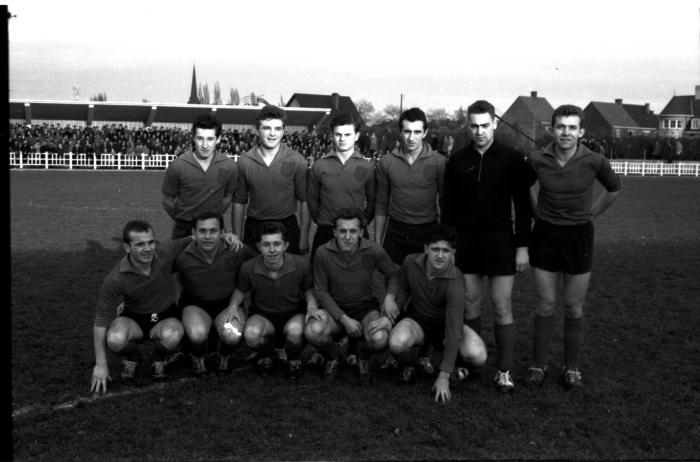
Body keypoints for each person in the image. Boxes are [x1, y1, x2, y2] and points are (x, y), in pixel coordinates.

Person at [525, 104, 621, 390]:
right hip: (545, 236)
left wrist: (591, 213)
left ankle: (571, 368)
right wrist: (537, 214)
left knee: (573, 307)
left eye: (571, 127)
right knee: (545, 305)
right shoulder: (536, 159)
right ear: (552, 129)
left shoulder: (595, 160)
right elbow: (524, 188)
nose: (565, 132)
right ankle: (538, 365)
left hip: (579, 237)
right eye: (560, 127)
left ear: (580, 131)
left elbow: (614, 188)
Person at [443, 100, 533, 393]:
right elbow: (449, 210)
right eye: (474, 125)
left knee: (501, 304)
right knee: (469, 303)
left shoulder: (511, 159)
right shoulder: (457, 161)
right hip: (467, 243)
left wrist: (522, 247)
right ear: (467, 125)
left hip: (500, 241)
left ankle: (504, 371)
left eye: (485, 124)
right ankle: (470, 364)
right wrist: (450, 245)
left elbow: (522, 207)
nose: (479, 130)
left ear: (495, 123)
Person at [375, 226, 487, 402]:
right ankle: (412, 364)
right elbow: (402, 294)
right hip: (417, 320)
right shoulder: (410, 262)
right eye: (435, 249)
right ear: (426, 248)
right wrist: (387, 319)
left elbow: (453, 328)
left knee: (478, 355)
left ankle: (461, 368)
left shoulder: (456, 279)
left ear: (453, 253)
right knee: (397, 343)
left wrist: (443, 377)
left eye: (446, 251)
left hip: (444, 325)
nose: (440, 255)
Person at [90, 220, 190, 393]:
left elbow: (195, 238)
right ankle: (133, 357)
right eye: (140, 244)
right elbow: (101, 321)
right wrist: (100, 363)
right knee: (114, 338)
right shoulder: (115, 278)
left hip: (166, 315)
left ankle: (158, 358)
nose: (148, 248)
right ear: (127, 247)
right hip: (135, 318)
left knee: (173, 335)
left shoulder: (165, 251)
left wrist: (227, 237)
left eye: (151, 242)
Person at [305, 208, 400, 384]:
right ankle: (334, 356)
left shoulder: (373, 250)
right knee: (313, 331)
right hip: (334, 309)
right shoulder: (322, 252)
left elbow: (393, 274)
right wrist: (344, 319)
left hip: (364, 307)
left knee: (379, 339)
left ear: (361, 232)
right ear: (334, 232)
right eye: (342, 231)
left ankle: (361, 356)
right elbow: (320, 291)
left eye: (353, 231)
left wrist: (389, 297)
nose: (347, 236)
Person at [223, 221, 318, 380]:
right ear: (259, 246)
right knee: (251, 335)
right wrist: (232, 307)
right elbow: (241, 290)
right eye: (266, 244)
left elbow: (308, 289)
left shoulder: (301, 264)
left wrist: (312, 306)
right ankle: (266, 355)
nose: (272, 250)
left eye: (277, 244)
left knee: (296, 333)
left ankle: (293, 359)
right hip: (263, 314)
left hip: (292, 313)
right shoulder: (248, 267)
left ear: (286, 245)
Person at [173, 211, 255, 377]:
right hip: (196, 303)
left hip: (228, 304)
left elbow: (256, 265)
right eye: (202, 231)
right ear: (193, 233)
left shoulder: (237, 250)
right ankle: (196, 356)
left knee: (232, 335)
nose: (208, 236)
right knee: (197, 334)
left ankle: (223, 355)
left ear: (223, 233)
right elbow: (170, 274)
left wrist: (247, 300)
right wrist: (175, 298)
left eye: (213, 231)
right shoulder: (182, 255)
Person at [232, 105, 310, 255]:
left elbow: (305, 200)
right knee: (253, 274)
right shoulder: (244, 161)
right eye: (267, 128)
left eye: (278, 129)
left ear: (283, 131)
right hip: (255, 227)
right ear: (257, 130)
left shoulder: (297, 160)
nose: (272, 134)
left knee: (289, 275)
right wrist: (237, 237)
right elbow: (239, 202)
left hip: (287, 226)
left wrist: (304, 237)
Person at [375, 107, 445, 265]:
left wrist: (443, 239)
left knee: (422, 286)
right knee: (394, 283)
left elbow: (445, 203)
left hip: (427, 231)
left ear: (425, 133)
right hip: (396, 231)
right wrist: (378, 242)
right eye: (407, 131)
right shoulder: (386, 162)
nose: (411, 138)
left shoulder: (439, 162)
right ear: (400, 132)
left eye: (417, 132)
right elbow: (381, 203)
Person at [307, 112, 375, 257]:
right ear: (332, 135)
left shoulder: (367, 167)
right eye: (338, 134)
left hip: (356, 231)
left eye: (347, 134)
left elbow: (372, 201)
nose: (342, 139)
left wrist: (362, 223)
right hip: (326, 230)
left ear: (356, 136)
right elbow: (312, 201)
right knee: (320, 277)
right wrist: (322, 221)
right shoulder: (319, 166)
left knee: (359, 277)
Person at [162, 113, 238, 239]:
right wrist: (183, 219)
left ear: (218, 139)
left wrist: (214, 218)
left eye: (210, 139)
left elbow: (227, 197)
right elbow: (167, 200)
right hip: (184, 229)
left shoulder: (229, 166)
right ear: (193, 137)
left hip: (214, 227)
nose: (204, 145)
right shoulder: (178, 165)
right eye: (200, 138)